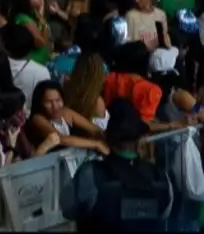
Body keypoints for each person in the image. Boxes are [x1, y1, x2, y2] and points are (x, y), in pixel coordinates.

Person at [62, 98, 172, 233]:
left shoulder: (90, 174)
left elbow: (67, 209)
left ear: (107, 139)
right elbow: (164, 214)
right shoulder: (160, 176)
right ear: (140, 141)